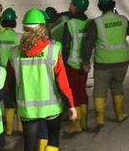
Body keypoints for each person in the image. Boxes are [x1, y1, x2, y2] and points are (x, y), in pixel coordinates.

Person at [9, 8, 77, 151]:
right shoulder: (52, 50)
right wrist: (71, 104)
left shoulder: (14, 52)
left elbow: (10, 82)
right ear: (42, 28)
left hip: (27, 107)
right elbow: (62, 81)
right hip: (51, 106)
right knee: (53, 139)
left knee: (30, 144)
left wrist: (14, 102)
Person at [82, 0, 129, 129]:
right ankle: (120, 114)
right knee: (117, 86)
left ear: (99, 6)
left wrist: (86, 61)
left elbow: (88, 43)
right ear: (113, 4)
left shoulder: (96, 23)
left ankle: (100, 119)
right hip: (122, 61)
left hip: (103, 63)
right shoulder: (123, 19)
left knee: (100, 89)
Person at [61, 0, 90, 133]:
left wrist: (63, 63)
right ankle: (84, 121)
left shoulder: (70, 24)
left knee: (72, 94)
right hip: (84, 65)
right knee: (82, 92)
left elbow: (65, 47)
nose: (69, 7)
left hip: (71, 64)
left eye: (72, 4)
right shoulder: (90, 23)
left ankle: (76, 124)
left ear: (76, 7)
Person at [0, 7, 22, 135]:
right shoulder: (18, 37)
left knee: (8, 101)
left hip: (2, 71)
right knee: (19, 99)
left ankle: (9, 129)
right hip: (16, 71)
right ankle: (21, 128)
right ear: (14, 22)